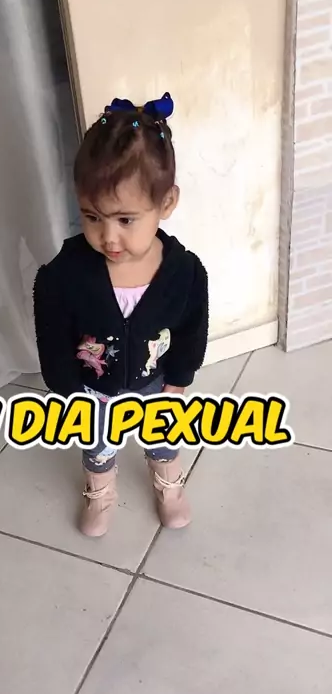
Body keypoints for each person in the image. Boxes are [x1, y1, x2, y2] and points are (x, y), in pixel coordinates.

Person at [33, 93, 209, 538]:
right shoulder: (65, 274)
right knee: (96, 444)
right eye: (92, 217)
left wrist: (180, 377)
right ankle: (100, 489)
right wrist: (67, 388)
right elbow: (52, 332)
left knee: (163, 437)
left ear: (166, 203)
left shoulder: (184, 272)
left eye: (126, 220)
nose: (108, 237)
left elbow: (191, 329)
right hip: (93, 388)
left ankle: (167, 482)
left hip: (155, 382)